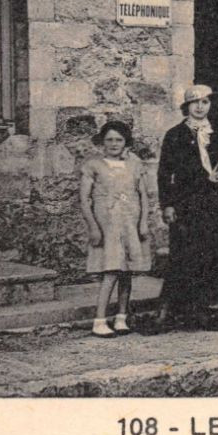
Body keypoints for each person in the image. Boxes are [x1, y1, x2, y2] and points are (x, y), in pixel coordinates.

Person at [155, 84, 218, 331]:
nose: (200, 107)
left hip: (213, 203)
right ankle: (168, 311)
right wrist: (167, 205)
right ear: (187, 107)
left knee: (208, 256)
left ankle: (201, 310)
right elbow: (165, 173)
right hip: (186, 202)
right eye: (195, 103)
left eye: (205, 102)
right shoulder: (175, 135)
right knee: (182, 256)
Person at [79, 120, 151, 337]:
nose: (113, 143)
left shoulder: (134, 165)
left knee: (126, 271)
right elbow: (84, 199)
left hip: (130, 222)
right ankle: (99, 320)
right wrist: (93, 227)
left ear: (125, 142)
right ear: (102, 142)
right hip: (107, 225)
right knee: (110, 271)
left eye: (118, 140)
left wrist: (144, 222)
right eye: (109, 139)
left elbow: (144, 196)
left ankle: (121, 318)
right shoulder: (93, 166)